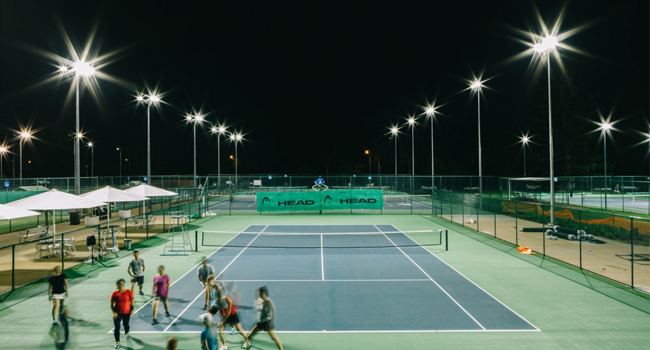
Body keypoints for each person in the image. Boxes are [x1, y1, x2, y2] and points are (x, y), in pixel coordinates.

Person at [208, 284, 250, 350]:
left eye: (218, 293)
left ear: (220, 293)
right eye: (217, 294)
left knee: (239, 329)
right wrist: (210, 309)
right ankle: (224, 345)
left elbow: (228, 312)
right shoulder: (217, 300)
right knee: (220, 331)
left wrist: (222, 321)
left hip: (233, 315)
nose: (217, 294)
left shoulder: (228, 300)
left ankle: (248, 341)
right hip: (226, 317)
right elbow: (215, 307)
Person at [247, 286, 282, 350]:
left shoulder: (269, 301)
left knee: (274, 338)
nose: (258, 294)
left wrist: (271, 323)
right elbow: (259, 311)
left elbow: (274, 312)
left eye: (260, 292)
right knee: (248, 337)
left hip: (267, 322)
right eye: (258, 292)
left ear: (264, 292)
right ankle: (247, 346)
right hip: (260, 323)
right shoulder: (259, 300)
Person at [111, 278, 135, 349]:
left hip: (126, 313)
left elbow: (132, 300)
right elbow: (112, 304)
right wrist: (114, 312)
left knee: (126, 325)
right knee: (117, 327)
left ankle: (127, 332)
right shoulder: (115, 294)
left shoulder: (128, 292)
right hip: (118, 314)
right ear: (117, 285)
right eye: (120, 284)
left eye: (122, 284)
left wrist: (131, 309)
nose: (121, 285)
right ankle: (117, 342)